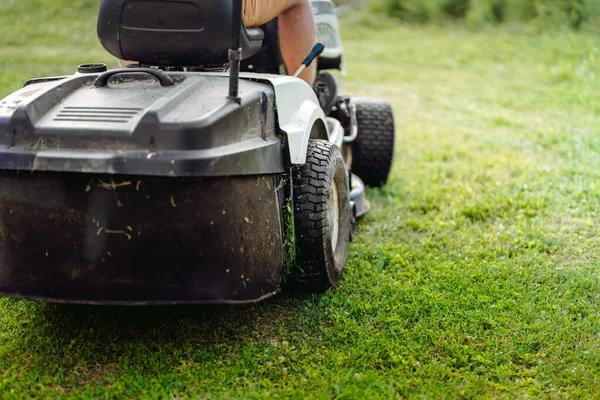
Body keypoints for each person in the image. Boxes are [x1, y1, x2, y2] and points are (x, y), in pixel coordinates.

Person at [119, 0, 318, 86]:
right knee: (298, 2)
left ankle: (141, 82)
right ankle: (306, 96)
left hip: (128, 9)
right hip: (214, 7)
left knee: (128, 12)